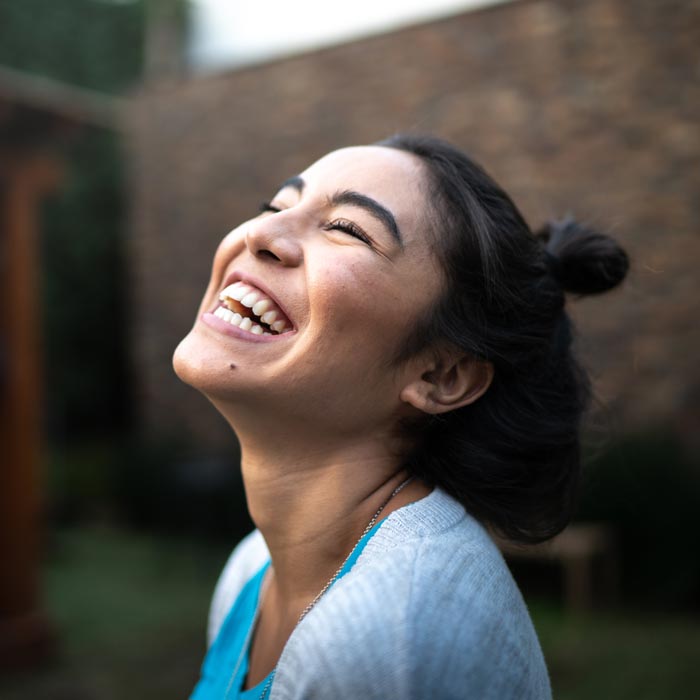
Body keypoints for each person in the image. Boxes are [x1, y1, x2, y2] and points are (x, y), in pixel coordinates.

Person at [174, 134, 628, 699]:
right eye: (277, 206)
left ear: (441, 375)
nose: (260, 233)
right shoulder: (253, 568)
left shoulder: (385, 639)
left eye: (347, 229)